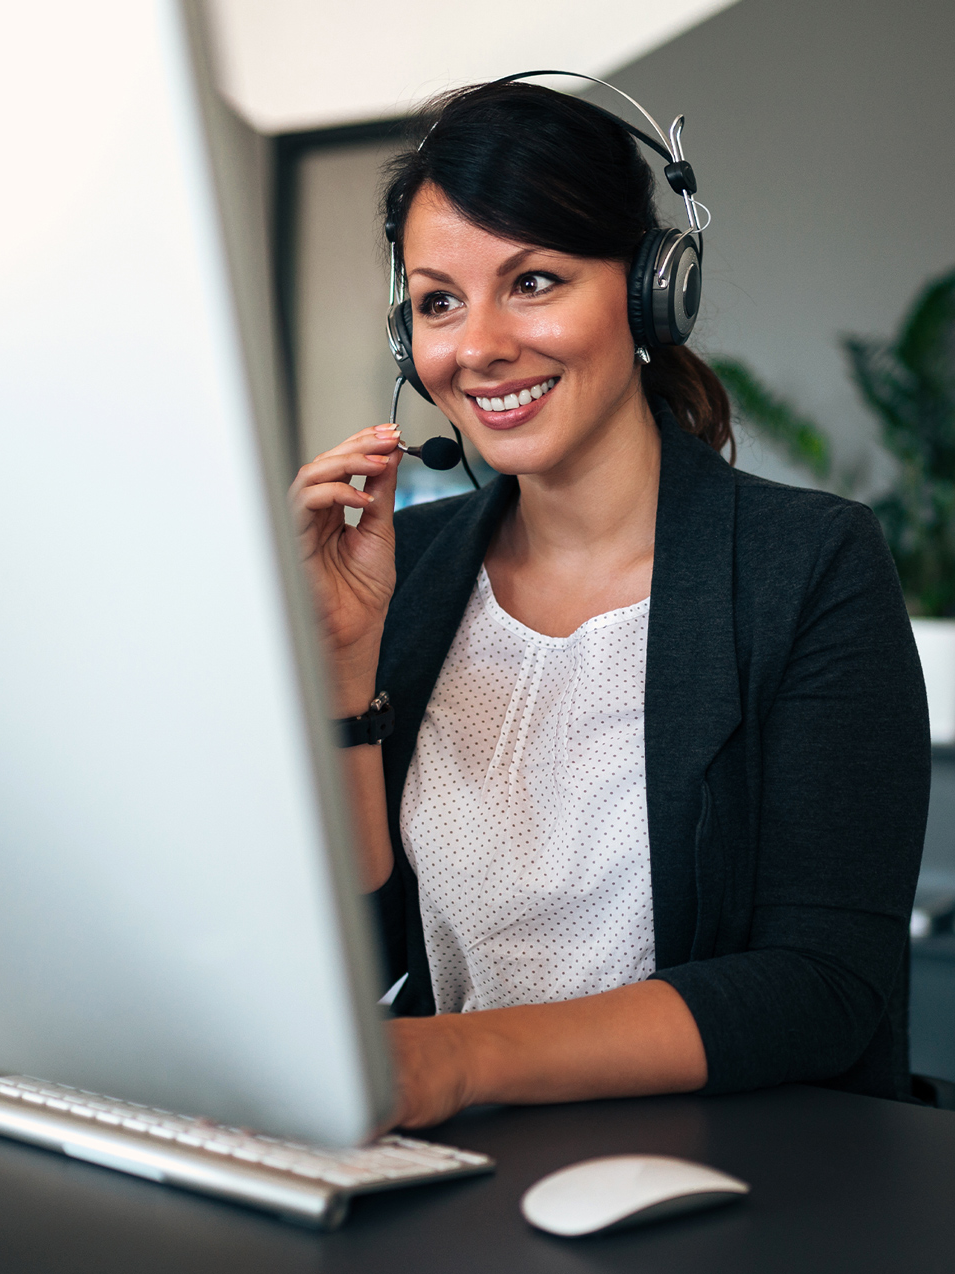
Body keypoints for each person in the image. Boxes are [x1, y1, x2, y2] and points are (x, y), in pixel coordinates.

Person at [291, 80, 931, 1129]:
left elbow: (821, 983)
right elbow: (363, 954)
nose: (477, 346)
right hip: (457, 1164)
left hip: (731, 1172)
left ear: (648, 293)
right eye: (439, 302)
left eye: (533, 281)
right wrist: (340, 673)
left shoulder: (810, 565)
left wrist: (461, 1057)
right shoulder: (408, 568)